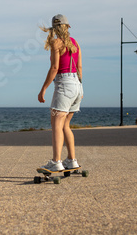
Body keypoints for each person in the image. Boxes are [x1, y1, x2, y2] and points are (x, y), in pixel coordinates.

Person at [38, 14, 83, 171]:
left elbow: (55, 68)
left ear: (54, 29)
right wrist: (80, 88)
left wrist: (43, 89)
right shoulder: (75, 43)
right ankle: (71, 160)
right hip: (77, 85)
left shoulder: (56, 43)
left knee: (56, 125)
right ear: (68, 27)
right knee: (66, 125)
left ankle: (56, 162)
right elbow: (79, 68)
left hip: (64, 85)